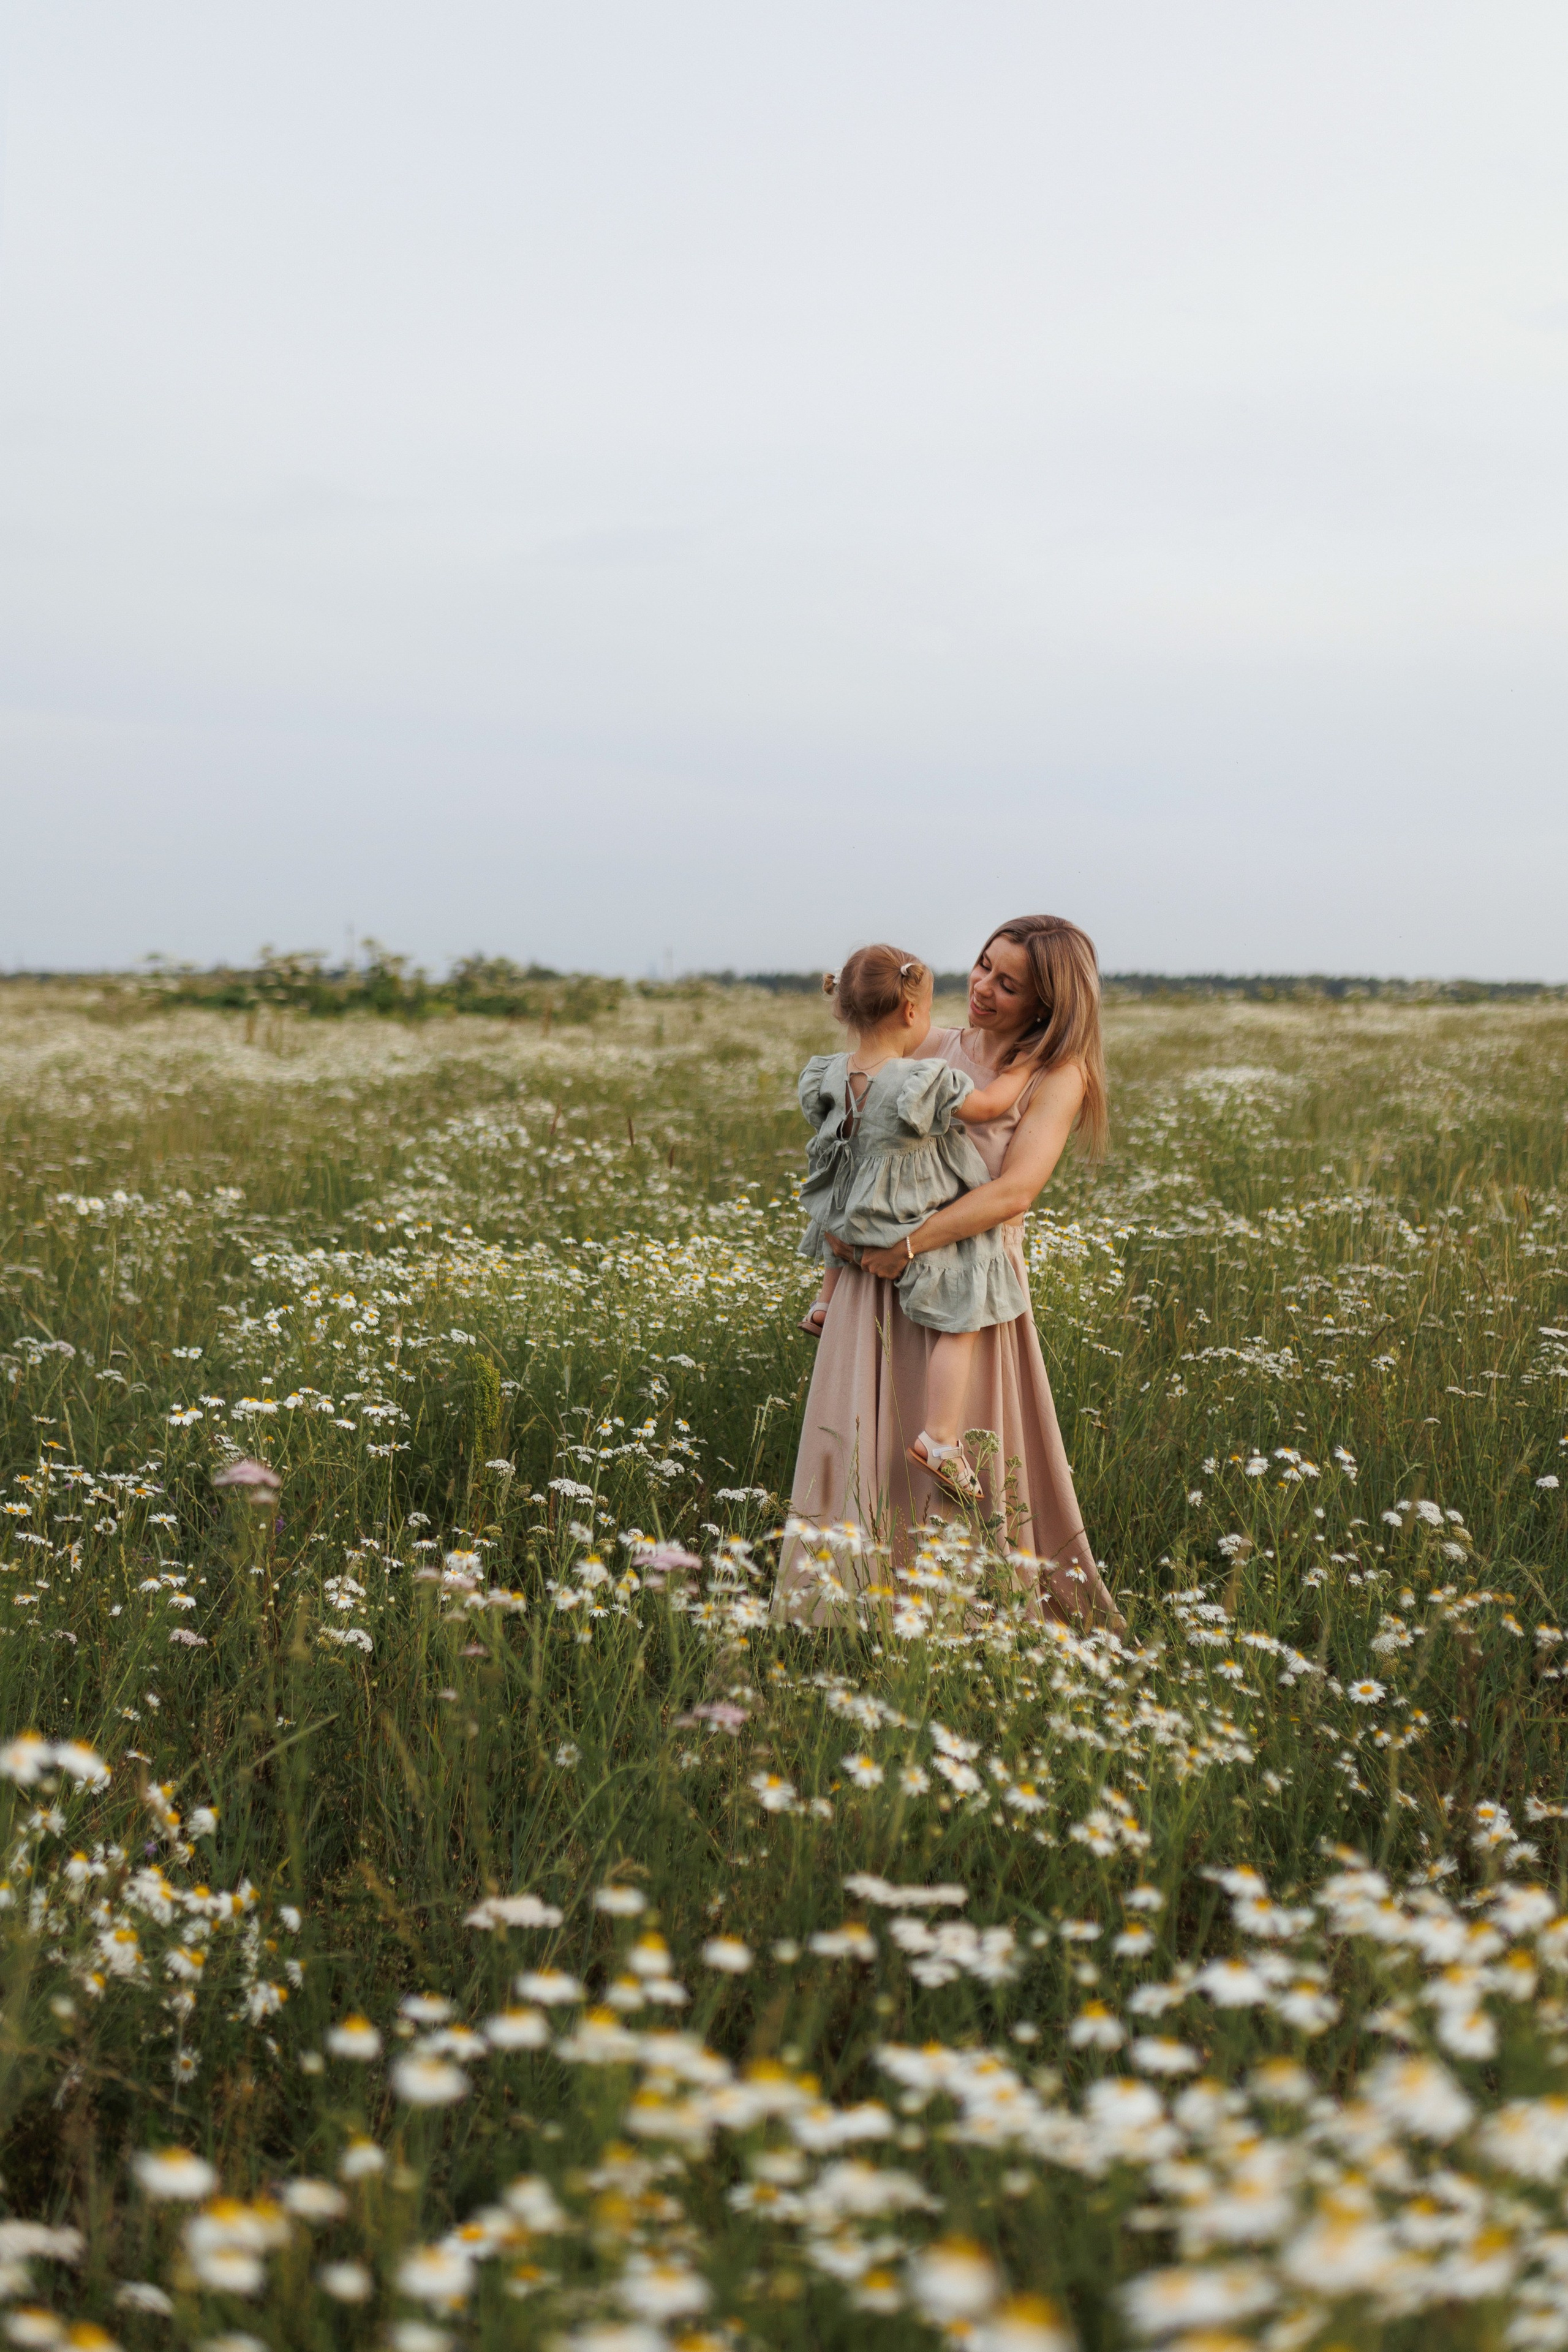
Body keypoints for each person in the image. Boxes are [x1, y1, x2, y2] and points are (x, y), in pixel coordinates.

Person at [775, 913, 1122, 1630]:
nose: (984, 987)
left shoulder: (1060, 1075)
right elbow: (852, 1124)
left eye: (1009, 982)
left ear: (1048, 1004)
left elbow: (1014, 1191)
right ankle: (847, 1615)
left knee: (956, 1449)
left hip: (966, 1278)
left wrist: (905, 1244)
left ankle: (963, 1621)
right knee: (861, 1447)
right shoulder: (927, 1043)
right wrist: (845, 1232)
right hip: (876, 1280)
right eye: (983, 965)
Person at [795, 944, 1044, 1502]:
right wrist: (1026, 1067)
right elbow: (990, 1105)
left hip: (852, 1217)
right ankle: (940, 1439)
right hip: (911, 1226)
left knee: (839, 1209)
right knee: (961, 1321)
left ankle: (824, 1302)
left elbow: (836, 1146)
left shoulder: (830, 1073)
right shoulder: (924, 1079)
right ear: (911, 1014)